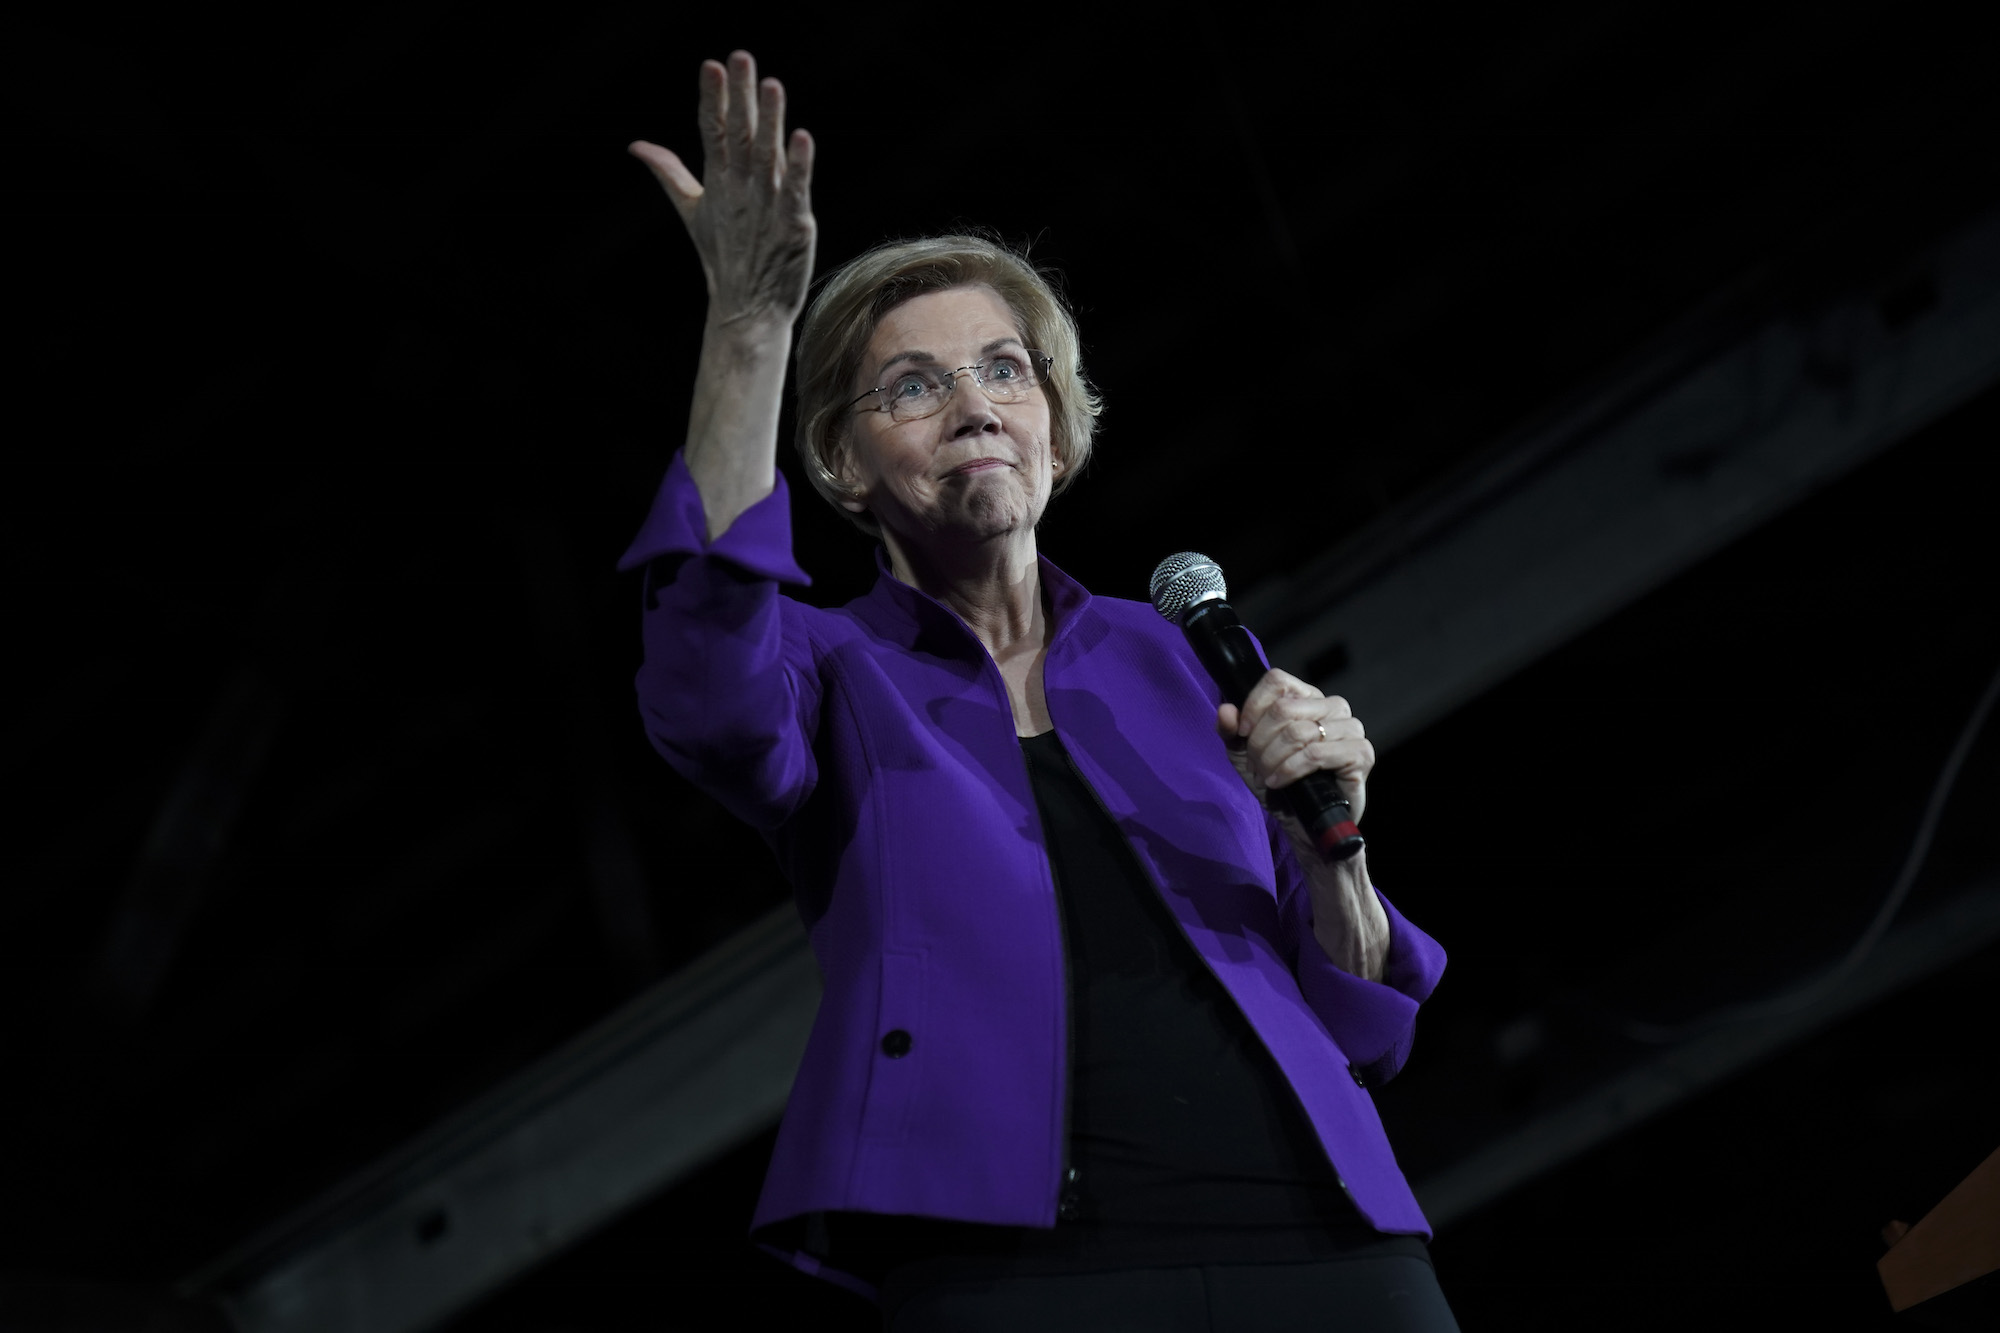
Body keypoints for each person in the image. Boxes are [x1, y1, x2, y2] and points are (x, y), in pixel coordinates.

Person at [621, 50, 1460, 1333]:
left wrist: (1329, 851)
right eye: (913, 385)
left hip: (1327, 1245)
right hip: (1012, 1277)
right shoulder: (828, 667)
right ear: (843, 466)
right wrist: (747, 331)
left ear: (1057, 434)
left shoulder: (1173, 656)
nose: (972, 403)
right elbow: (703, 686)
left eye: (1005, 369)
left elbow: (1361, 1017)